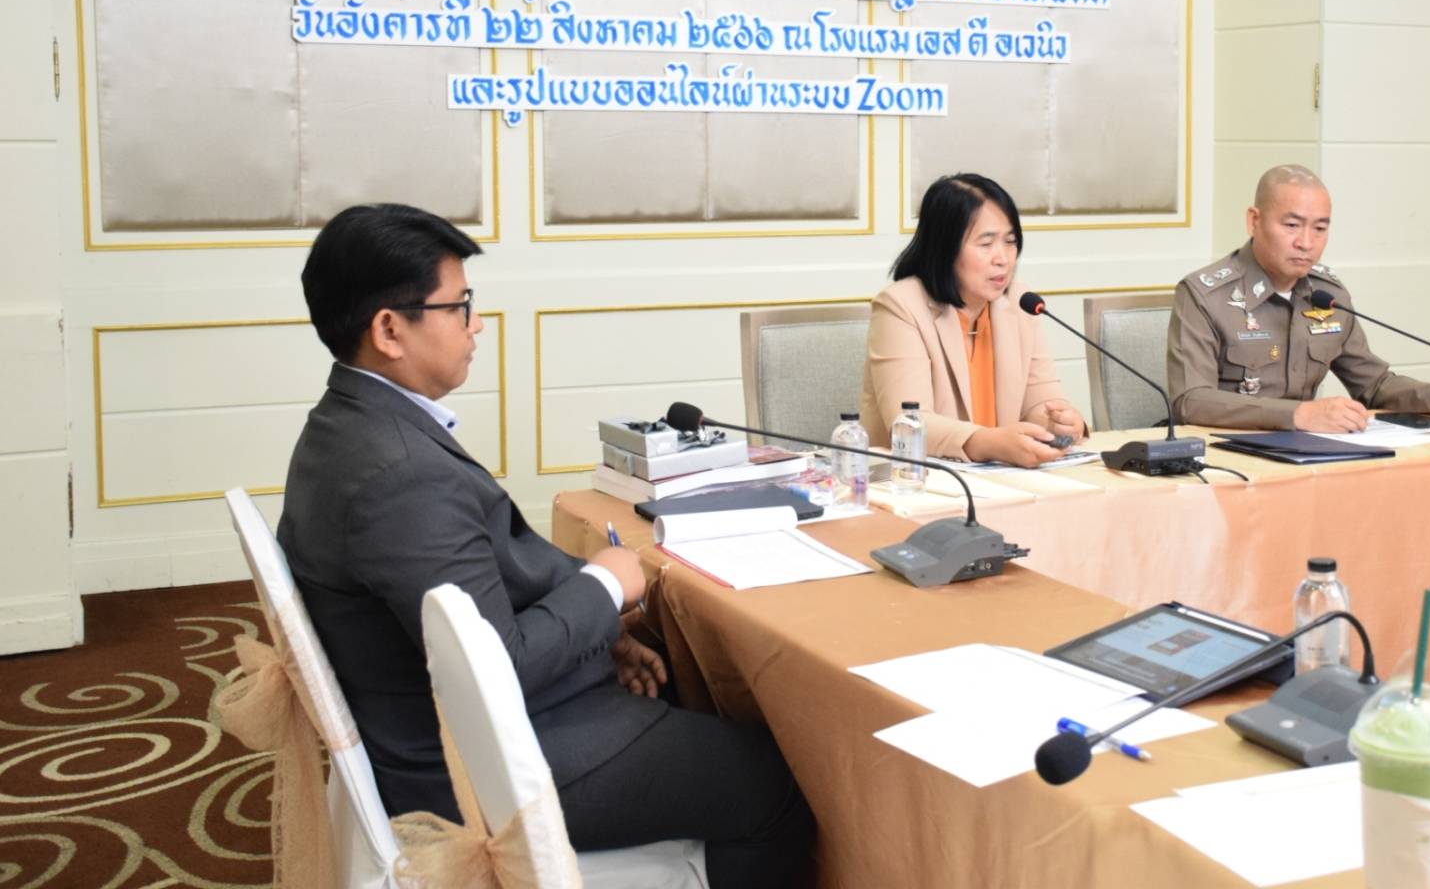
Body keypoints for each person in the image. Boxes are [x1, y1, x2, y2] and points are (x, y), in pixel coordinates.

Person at [278, 204, 812, 887]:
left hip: (445, 724)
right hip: (477, 770)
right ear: (389, 330)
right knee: (776, 783)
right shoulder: (400, 474)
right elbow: (496, 665)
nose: (476, 325)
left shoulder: (344, 425)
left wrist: (598, 633)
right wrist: (606, 585)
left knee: (695, 691)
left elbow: (477, 594)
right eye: (459, 306)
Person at [1167, 164, 1430, 431]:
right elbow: (1191, 401)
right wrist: (1298, 415)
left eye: (1320, 228)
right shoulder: (1205, 296)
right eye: (1291, 226)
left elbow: (1376, 386)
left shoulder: (1327, 296)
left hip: (1306, 456)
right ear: (1254, 221)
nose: (1306, 242)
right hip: (1227, 458)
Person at [861, 173, 1087, 466]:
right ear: (945, 247)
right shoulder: (900, 306)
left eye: (1010, 241)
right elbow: (909, 423)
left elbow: (1040, 401)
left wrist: (1060, 423)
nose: (1003, 258)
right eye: (986, 244)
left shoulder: (1020, 302)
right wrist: (991, 443)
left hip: (1002, 478)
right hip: (915, 478)